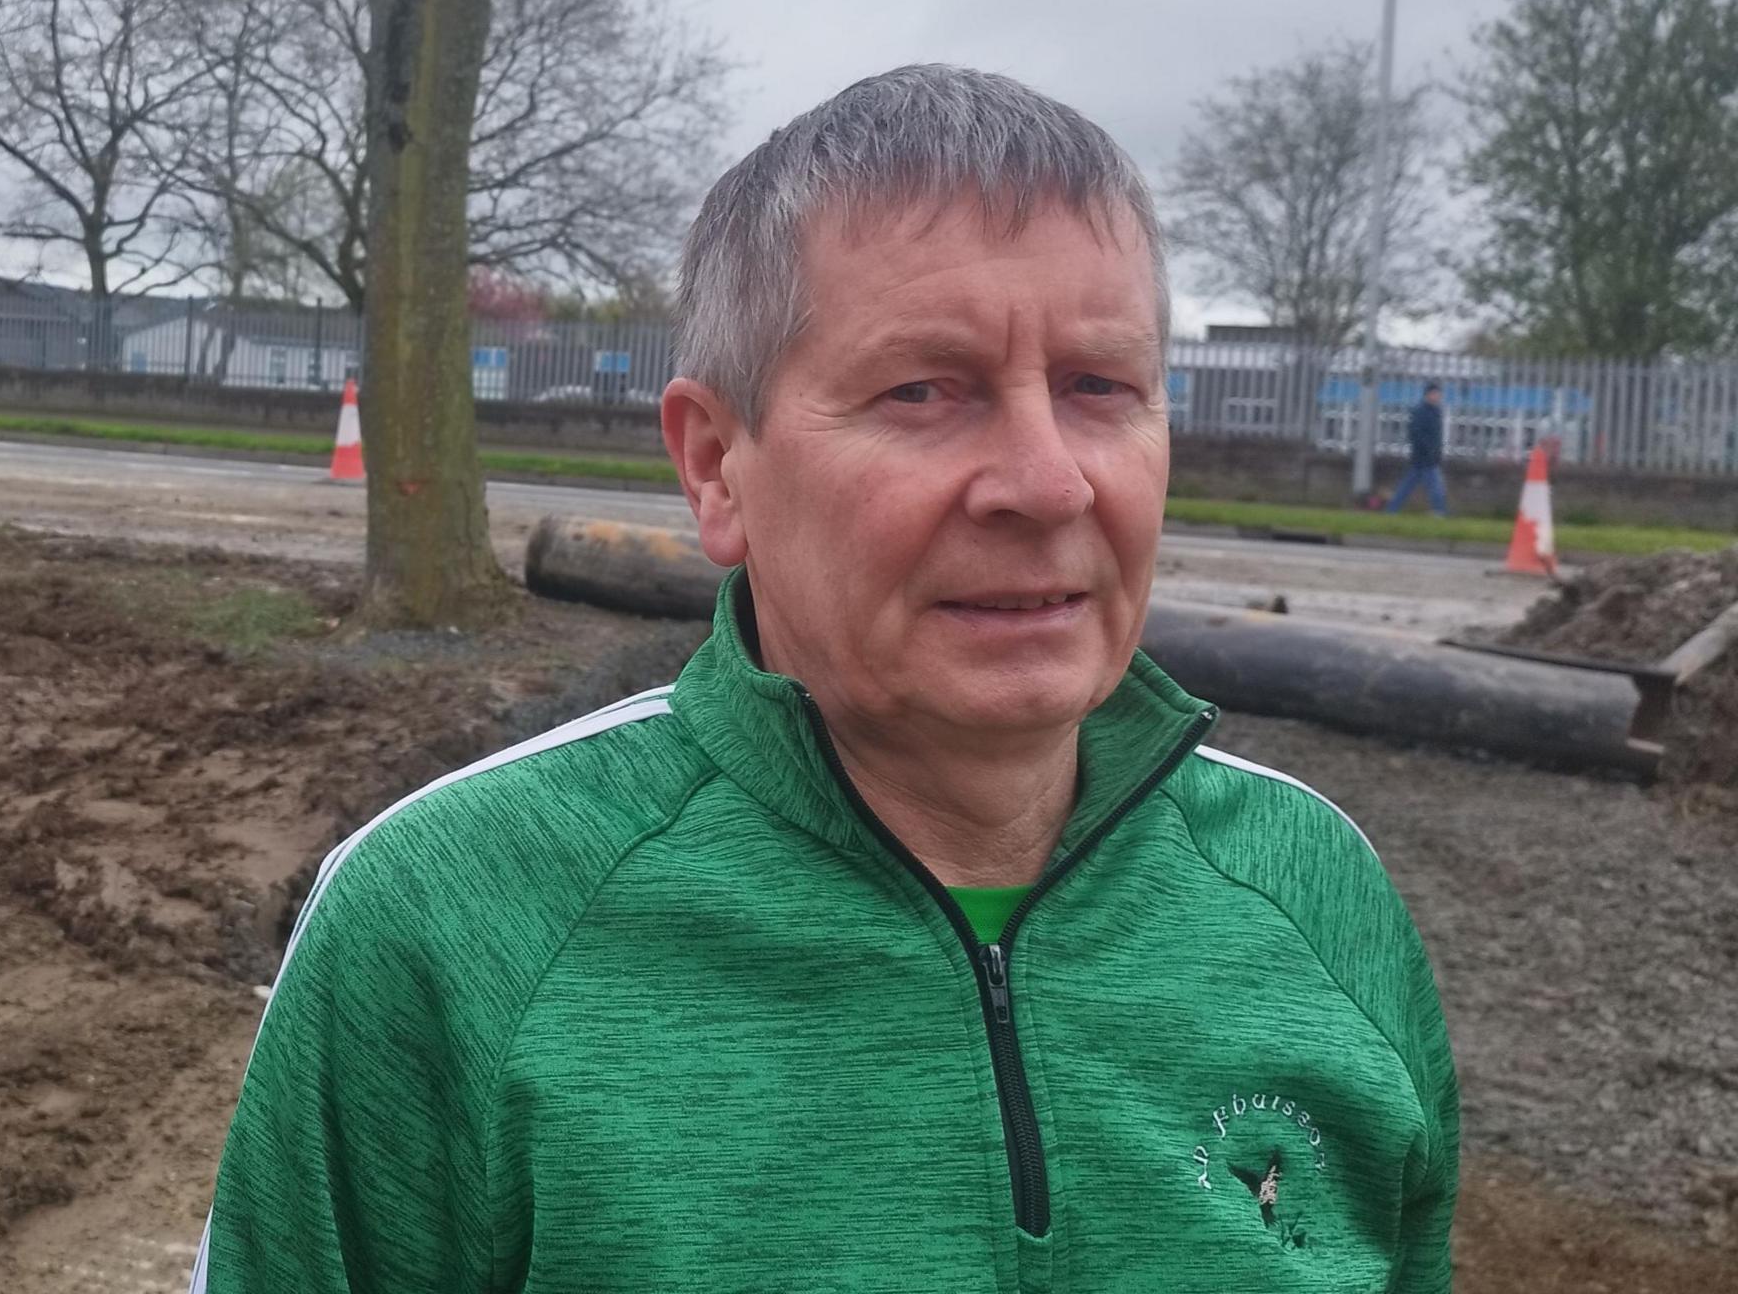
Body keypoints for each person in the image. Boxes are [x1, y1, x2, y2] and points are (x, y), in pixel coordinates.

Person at [190, 66, 1459, 1292]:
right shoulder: (449, 925)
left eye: (1097, 388)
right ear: (715, 468)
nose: (1048, 482)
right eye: (923, 391)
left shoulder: (1316, 893)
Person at [1386, 383, 1450, 515]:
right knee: (1435, 486)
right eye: (1436, 393)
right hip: (1424, 456)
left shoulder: (1435, 411)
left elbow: (1436, 436)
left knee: (1408, 484)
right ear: (1428, 394)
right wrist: (1429, 450)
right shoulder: (1421, 411)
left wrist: (1436, 451)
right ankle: (1439, 511)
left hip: (1427, 457)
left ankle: (1392, 509)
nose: (1438, 397)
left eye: (1439, 394)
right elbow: (1416, 434)